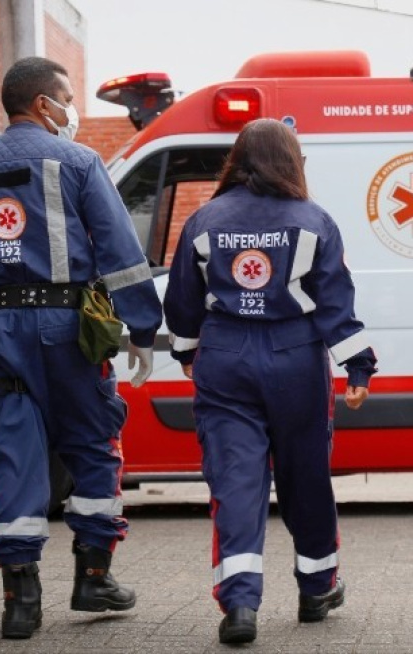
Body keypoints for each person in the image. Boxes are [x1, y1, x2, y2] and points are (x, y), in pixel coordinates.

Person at [0, 56, 163, 639]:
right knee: (93, 442)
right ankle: (93, 578)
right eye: (67, 98)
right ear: (44, 104)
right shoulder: (79, 162)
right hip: (69, 329)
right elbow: (119, 251)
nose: (71, 112)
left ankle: (20, 602)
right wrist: (142, 328)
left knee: (13, 450)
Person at [163, 118, 376, 645]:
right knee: (306, 478)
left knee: (236, 481)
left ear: (238, 158)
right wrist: (358, 366)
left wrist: (188, 351)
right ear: (290, 161)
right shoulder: (314, 220)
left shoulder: (204, 220)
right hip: (295, 359)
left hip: (225, 357)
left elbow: (183, 300)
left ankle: (239, 605)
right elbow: (334, 304)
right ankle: (318, 587)